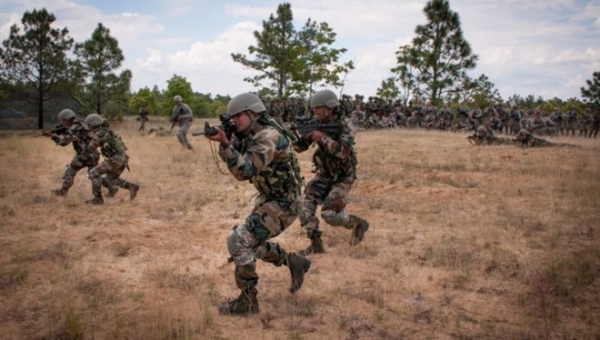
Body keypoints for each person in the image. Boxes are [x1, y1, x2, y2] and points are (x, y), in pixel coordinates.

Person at [204, 92, 311, 316]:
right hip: (271, 198)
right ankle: (293, 262)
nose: (234, 121)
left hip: (285, 202)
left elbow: (245, 170)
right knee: (248, 244)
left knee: (239, 240)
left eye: (238, 116)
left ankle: (248, 302)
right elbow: (239, 161)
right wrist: (230, 142)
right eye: (231, 118)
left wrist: (225, 144)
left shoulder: (268, 136)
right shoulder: (251, 134)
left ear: (253, 113)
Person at [292, 89, 369, 256]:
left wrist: (322, 138)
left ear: (329, 108)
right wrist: (293, 134)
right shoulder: (315, 124)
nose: (314, 111)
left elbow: (343, 152)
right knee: (303, 207)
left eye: (318, 108)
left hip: (343, 176)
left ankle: (356, 224)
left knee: (329, 214)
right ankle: (316, 245)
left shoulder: (345, 125)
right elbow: (299, 148)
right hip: (324, 174)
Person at [44, 109, 114, 197]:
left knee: (70, 170)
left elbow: (63, 142)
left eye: (63, 120)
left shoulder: (74, 127)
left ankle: (63, 191)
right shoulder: (81, 123)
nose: (63, 122)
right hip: (94, 153)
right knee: (94, 175)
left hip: (84, 154)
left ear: (68, 118)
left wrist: (53, 136)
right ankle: (111, 188)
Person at [83, 113, 139, 205]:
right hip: (123, 158)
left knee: (92, 173)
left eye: (88, 124)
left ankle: (98, 199)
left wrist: (86, 140)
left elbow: (90, 149)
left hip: (115, 159)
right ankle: (132, 186)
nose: (87, 126)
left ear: (92, 124)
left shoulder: (98, 134)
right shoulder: (106, 131)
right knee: (111, 179)